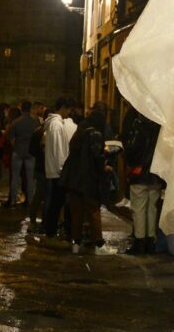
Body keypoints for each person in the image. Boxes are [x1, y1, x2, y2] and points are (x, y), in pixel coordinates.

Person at [59, 109, 115, 254]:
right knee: (93, 212)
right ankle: (99, 245)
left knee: (76, 214)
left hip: (73, 180)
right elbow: (97, 157)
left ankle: (76, 244)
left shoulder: (79, 133)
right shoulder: (95, 134)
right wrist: (106, 165)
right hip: (88, 180)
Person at [121, 110, 163, 254]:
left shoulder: (139, 125)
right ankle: (150, 241)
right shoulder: (161, 126)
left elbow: (133, 148)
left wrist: (130, 163)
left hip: (140, 173)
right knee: (152, 208)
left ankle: (139, 242)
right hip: (156, 173)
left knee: (139, 208)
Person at [41, 97, 76, 243]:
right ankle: (50, 232)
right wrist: (62, 169)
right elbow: (58, 149)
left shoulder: (56, 123)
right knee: (56, 202)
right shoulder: (56, 125)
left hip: (56, 170)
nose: (69, 112)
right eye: (68, 109)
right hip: (58, 171)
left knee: (57, 202)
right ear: (62, 108)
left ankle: (51, 230)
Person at [6, 101, 40, 210]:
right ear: (30, 109)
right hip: (30, 152)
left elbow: (11, 139)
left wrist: (16, 146)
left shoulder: (16, 122)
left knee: (15, 178)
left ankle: (13, 201)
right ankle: (30, 200)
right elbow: (38, 137)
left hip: (18, 151)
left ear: (21, 109)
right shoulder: (35, 121)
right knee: (30, 178)